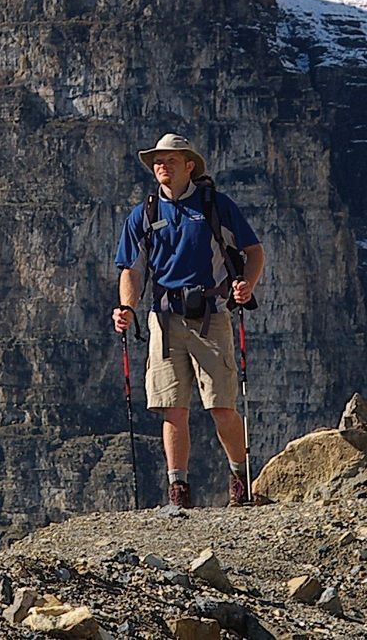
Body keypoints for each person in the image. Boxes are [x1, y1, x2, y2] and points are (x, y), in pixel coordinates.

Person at [113, 133, 264, 508]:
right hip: (163, 320)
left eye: (170, 160)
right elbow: (131, 269)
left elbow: (254, 251)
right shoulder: (144, 214)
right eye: (157, 162)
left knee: (221, 405)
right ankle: (178, 490)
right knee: (172, 406)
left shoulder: (215, 205)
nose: (162, 166)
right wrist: (127, 308)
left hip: (211, 316)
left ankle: (240, 478)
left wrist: (246, 286)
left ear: (189, 166)